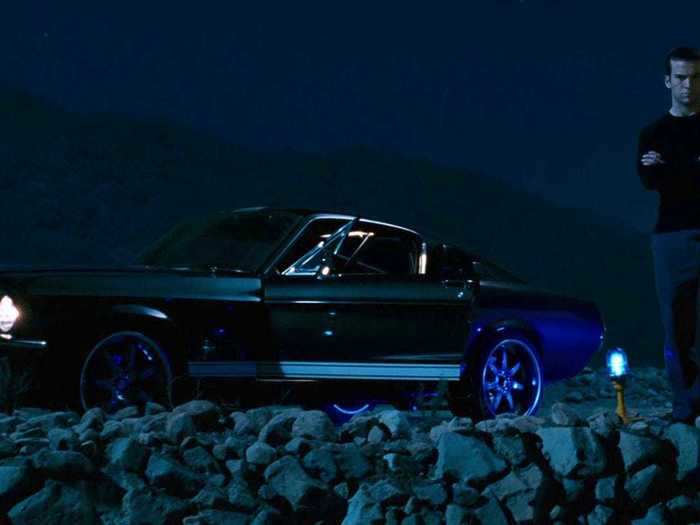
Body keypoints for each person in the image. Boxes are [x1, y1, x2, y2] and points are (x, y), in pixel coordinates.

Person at [638, 46, 700, 423]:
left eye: (694, 78)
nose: (688, 85)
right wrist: (690, 167)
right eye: (681, 77)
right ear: (668, 81)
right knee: (676, 327)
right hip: (671, 237)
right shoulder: (652, 132)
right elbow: (648, 179)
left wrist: (670, 168)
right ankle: (685, 406)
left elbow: (663, 175)